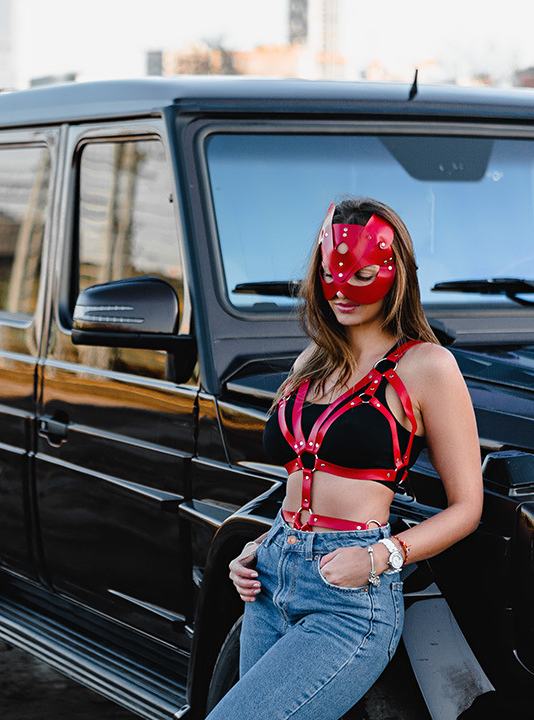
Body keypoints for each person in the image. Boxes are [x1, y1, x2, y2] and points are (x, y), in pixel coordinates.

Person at [209, 196, 483, 720]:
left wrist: (382, 557)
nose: (342, 292)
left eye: (360, 275)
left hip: (347, 596)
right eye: (330, 275)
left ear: (395, 273)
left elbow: (466, 508)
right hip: (269, 583)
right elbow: (299, 478)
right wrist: (262, 545)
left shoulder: (428, 366)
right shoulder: (314, 360)